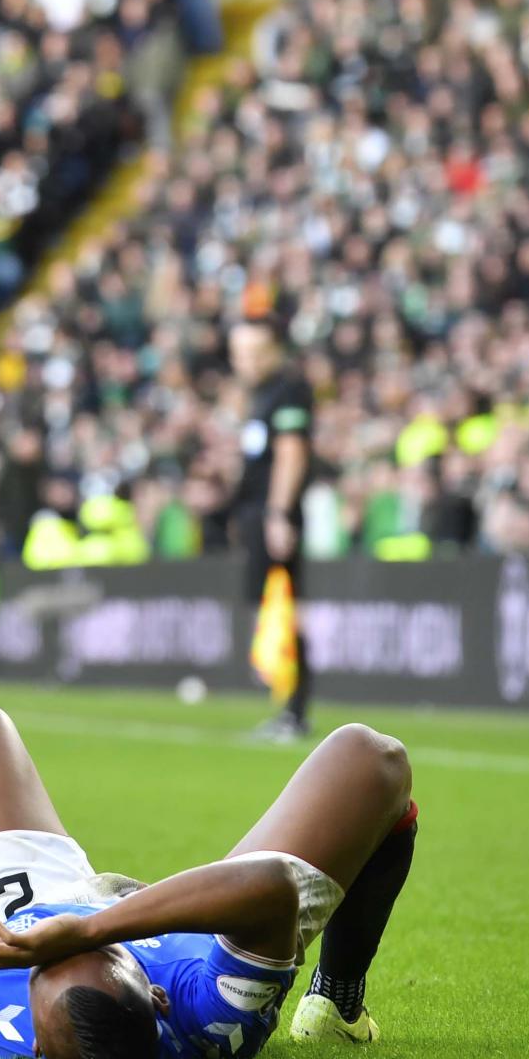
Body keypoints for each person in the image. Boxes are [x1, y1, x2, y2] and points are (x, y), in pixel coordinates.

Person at [0, 703, 418, 1059]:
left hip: (40, 905)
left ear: (35, 1044)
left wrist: (20, 932)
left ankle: (73, 920)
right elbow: (269, 885)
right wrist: (88, 933)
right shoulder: (214, 1021)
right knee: (374, 760)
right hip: (219, 923)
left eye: (41, 971)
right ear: (158, 997)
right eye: (115, 951)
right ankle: (335, 1003)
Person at [228, 314, 315, 740]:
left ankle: (295, 713)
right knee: (270, 611)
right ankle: (287, 710)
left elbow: (291, 452)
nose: (246, 361)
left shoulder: (289, 389)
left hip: (273, 516)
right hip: (257, 515)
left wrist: (279, 513)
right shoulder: (260, 394)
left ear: (276, 350)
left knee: (284, 610)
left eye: (255, 352)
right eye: (240, 353)